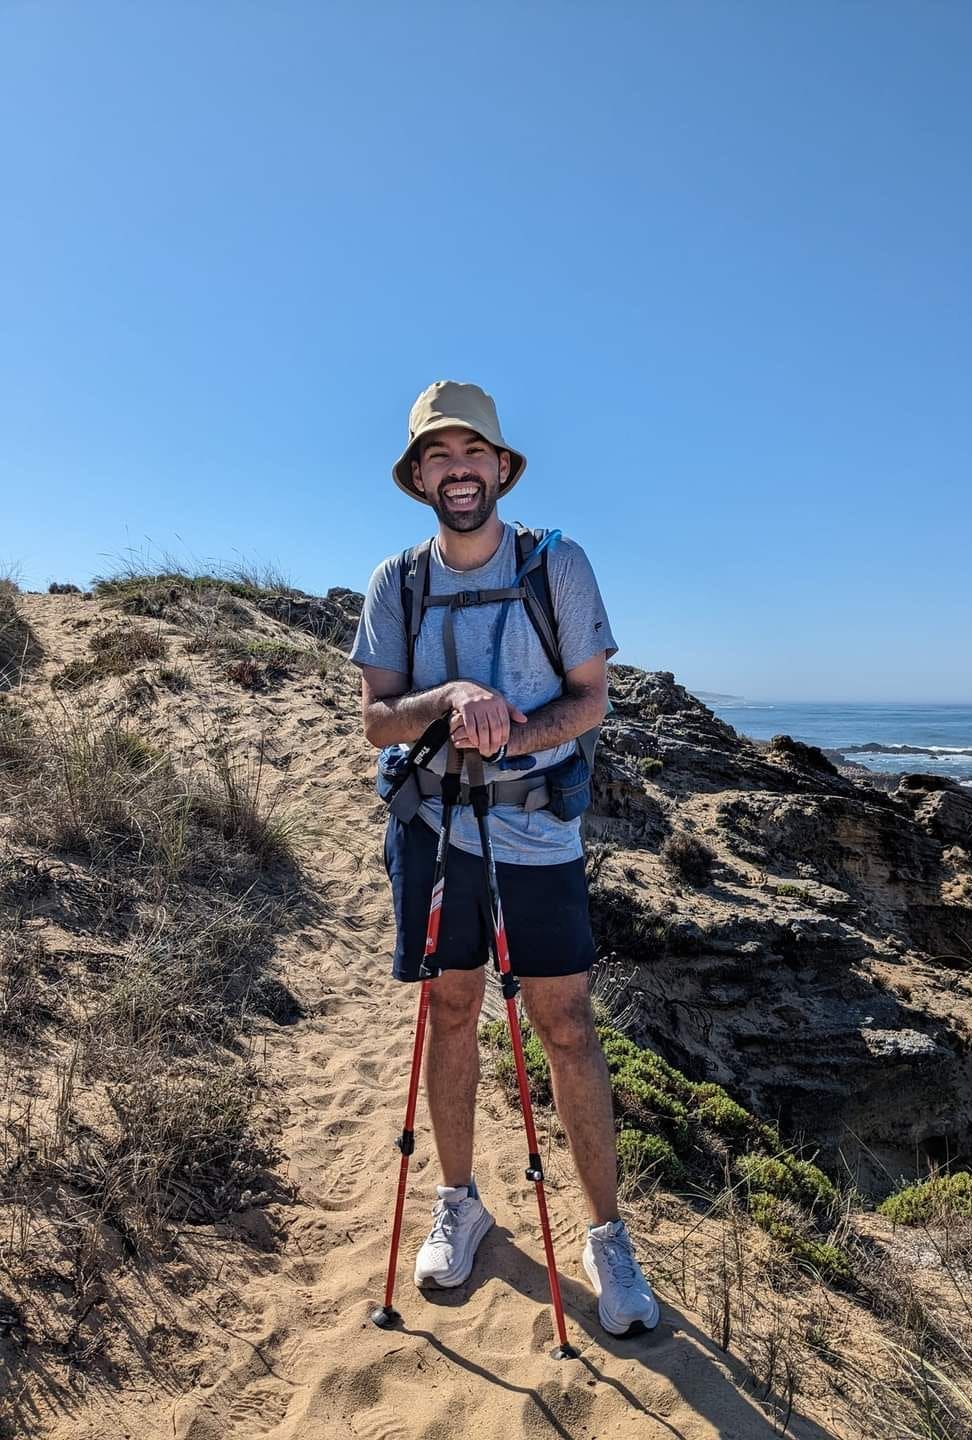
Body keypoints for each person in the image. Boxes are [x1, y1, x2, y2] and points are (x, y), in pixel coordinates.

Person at [351, 380, 659, 1337]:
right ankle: (460, 1200)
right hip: (433, 833)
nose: (457, 471)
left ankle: (607, 1234)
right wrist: (449, 698)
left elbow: (589, 702)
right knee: (449, 1010)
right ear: (418, 477)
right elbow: (374, 721)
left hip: (537, 833)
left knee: (567, 1027)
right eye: (437, 457)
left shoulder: (556, 566)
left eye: (471, 453)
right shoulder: (396, 582)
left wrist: (509, 736)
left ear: (500, 466)